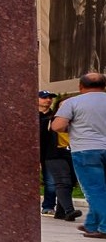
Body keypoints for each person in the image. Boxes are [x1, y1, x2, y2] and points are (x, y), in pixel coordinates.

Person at [50, 72, 106, 239]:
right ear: (104, 86)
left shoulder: (72, 102)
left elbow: (57, 126)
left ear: (80, 87)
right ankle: (92, 224)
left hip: (86, 149)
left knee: (94, 189)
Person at [41, 92, 78, 220]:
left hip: (73, 154)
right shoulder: (48, 121)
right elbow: (42, 141)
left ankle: (61, 212)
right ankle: (69, 210)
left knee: (71, 183)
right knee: (63, 181)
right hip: (54, 155)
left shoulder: (79, 122)